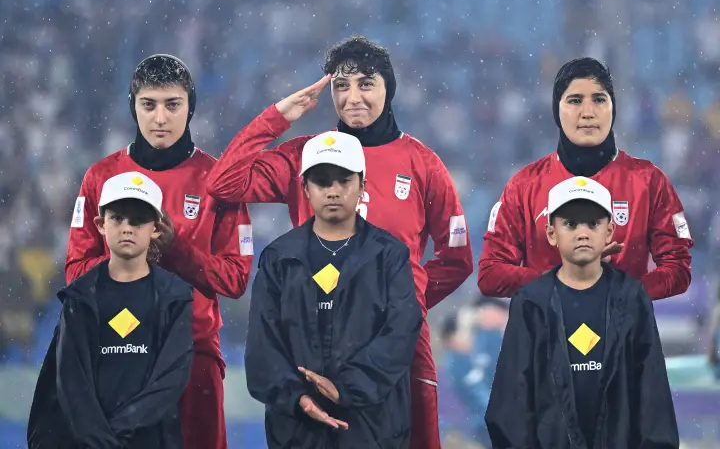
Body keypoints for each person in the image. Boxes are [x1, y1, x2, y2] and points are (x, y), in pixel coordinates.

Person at [207, 35, 473, 448]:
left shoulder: (422, 164)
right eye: (341, 86)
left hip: (395, 343)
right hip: (312, 336)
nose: (352, 97)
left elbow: (456, 258)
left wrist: (404, 301)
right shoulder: (305, 157)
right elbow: (224, 183)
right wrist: (278, 117)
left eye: (366, 84)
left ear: (388, 88)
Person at [64, 54, 253, 449]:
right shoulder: (100, 177)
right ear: (133, 106)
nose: (160, 118)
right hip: (115, 351)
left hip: (193, 353)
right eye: (148, 105)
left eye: (172, 104)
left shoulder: (220, 180)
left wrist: (176, 250)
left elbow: (236, 279)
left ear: (190, 107)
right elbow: (75, 273)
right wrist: (132, 256)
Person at [245, 131, 422, 448]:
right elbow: (263, 343)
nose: (334, 191)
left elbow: (401, 333)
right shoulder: (279, 258)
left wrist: (346, 389)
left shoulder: (390, 255)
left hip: (372, 428)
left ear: (363, 185)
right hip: (297, 431)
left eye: (344, 180)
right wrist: (297, 397)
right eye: (322, 182)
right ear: (305, 189)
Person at [485, 176, 679, 448]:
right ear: (551, 233)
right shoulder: (531, 303)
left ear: (609, 231)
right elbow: (511, 401)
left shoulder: (632, 298)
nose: (583, 233)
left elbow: (652, 393)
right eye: (570, 223)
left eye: (593, 223)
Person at [478, 57, 693, 300]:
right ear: (556, 111)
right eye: (575, 100)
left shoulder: (649, 181)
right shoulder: (524, 185)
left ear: (613, 108)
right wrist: (559, 281)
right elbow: (490, 274)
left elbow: (678, 269)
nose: (588, 113)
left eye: (599, 99)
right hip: (545, 325)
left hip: (624, 324)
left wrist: (621, 293)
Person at [28, 172, 193, 449]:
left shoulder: (174, 296)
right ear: (100, 225)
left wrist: (113, 435)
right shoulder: (80, 297)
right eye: (117, 218)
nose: (127, 228)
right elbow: (72, 383)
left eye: (138, 219)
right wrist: (104, 441)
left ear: (156, 228)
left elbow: (170, 380)